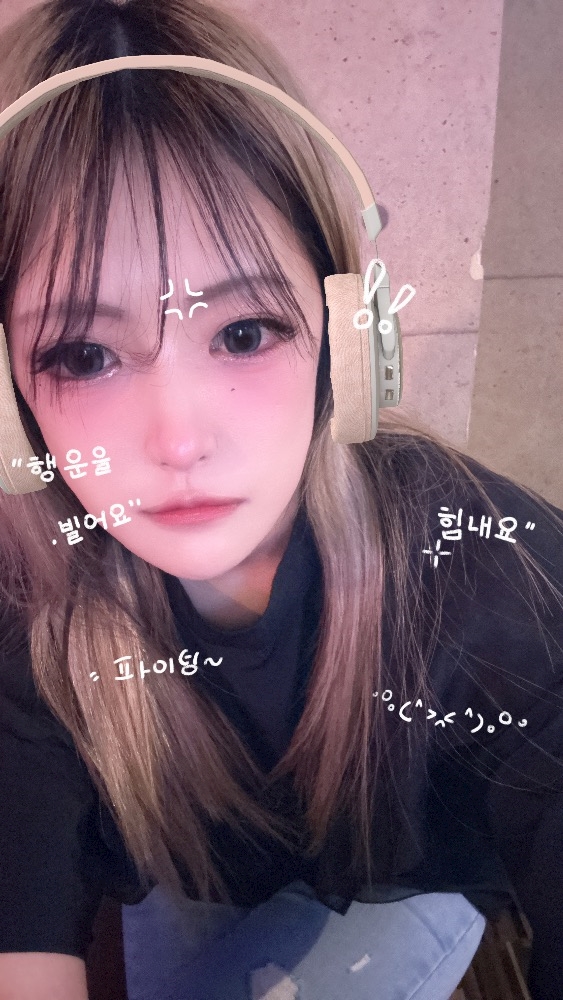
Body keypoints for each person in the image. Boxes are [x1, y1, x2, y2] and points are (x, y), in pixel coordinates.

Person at [0, 1, 561, 999]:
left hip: (405, 888)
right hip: (192, 878)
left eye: (245, 332)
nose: (179, 440)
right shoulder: (27, 595)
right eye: (83, 354)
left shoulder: (495, 578)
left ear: (348, 339)